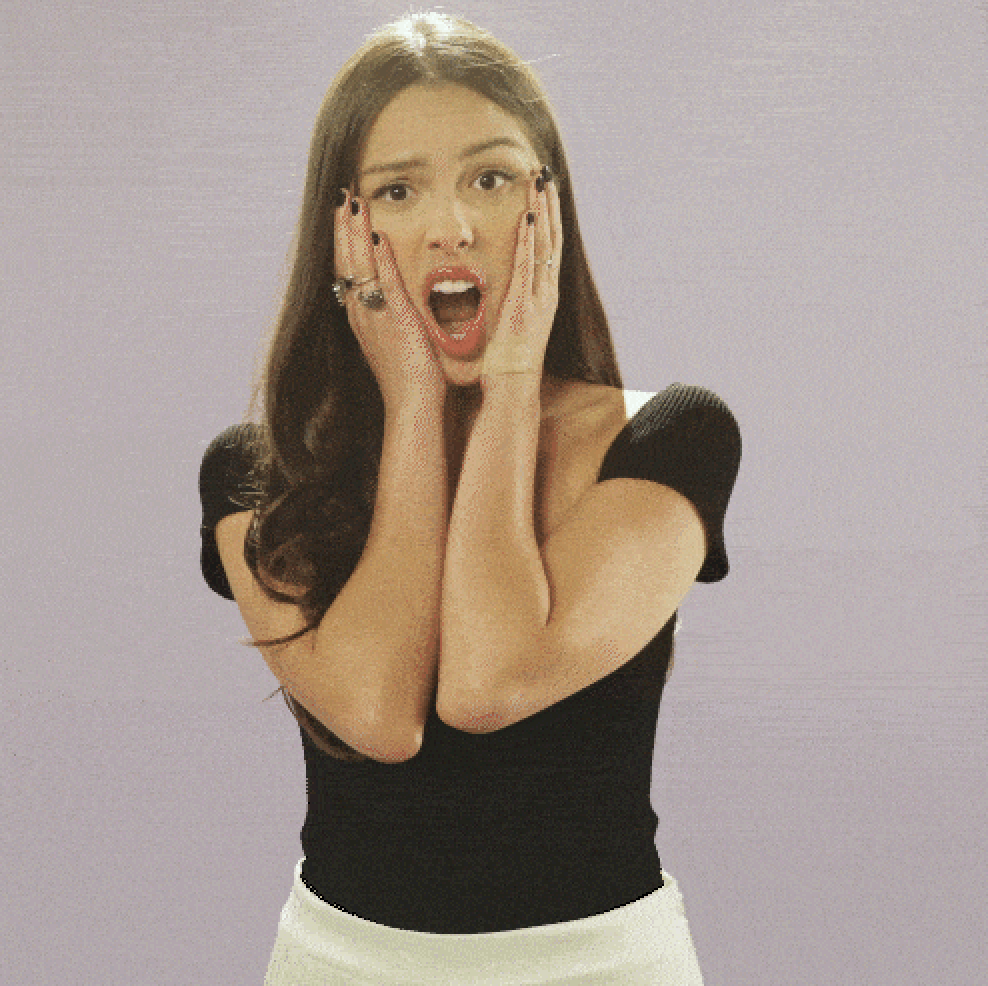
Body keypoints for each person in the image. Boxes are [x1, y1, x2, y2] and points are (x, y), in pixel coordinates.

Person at [198, 11, 741, 984]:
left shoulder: (672, 436)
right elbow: (379, 715)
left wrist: (507, 389)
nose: (450, 224)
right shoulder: (253, 474)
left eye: (489, 178)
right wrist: (413, 410)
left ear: (546, 207)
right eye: (399, 189)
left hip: (603, 964)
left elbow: (489, 683)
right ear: (344, 227)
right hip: (340, 961)